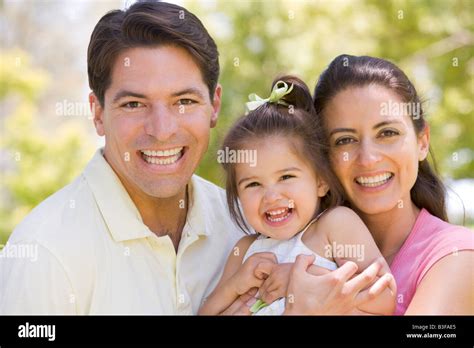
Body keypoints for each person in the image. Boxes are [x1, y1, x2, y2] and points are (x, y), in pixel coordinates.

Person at [0, 1, 242, 314]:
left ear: (214, 105)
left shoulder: (242, 224)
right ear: (98, 113)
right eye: (133, 104)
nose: (162, 130)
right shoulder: (45, 254)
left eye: (184, 101)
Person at [283, 54, 473, 315]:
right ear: (323, 157)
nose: (368, 159)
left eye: (387, 133)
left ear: (422, 142)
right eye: (344, 140)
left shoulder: (456, 255)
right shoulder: (291, 247)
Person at [198, 76, 397, 315]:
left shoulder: (335, 225)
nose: (271, 196)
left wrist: (300, 277)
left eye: (286, 177)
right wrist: (234, 285)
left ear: (321, 182)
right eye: (253, 184)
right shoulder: (245, 249)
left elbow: (384, 296)